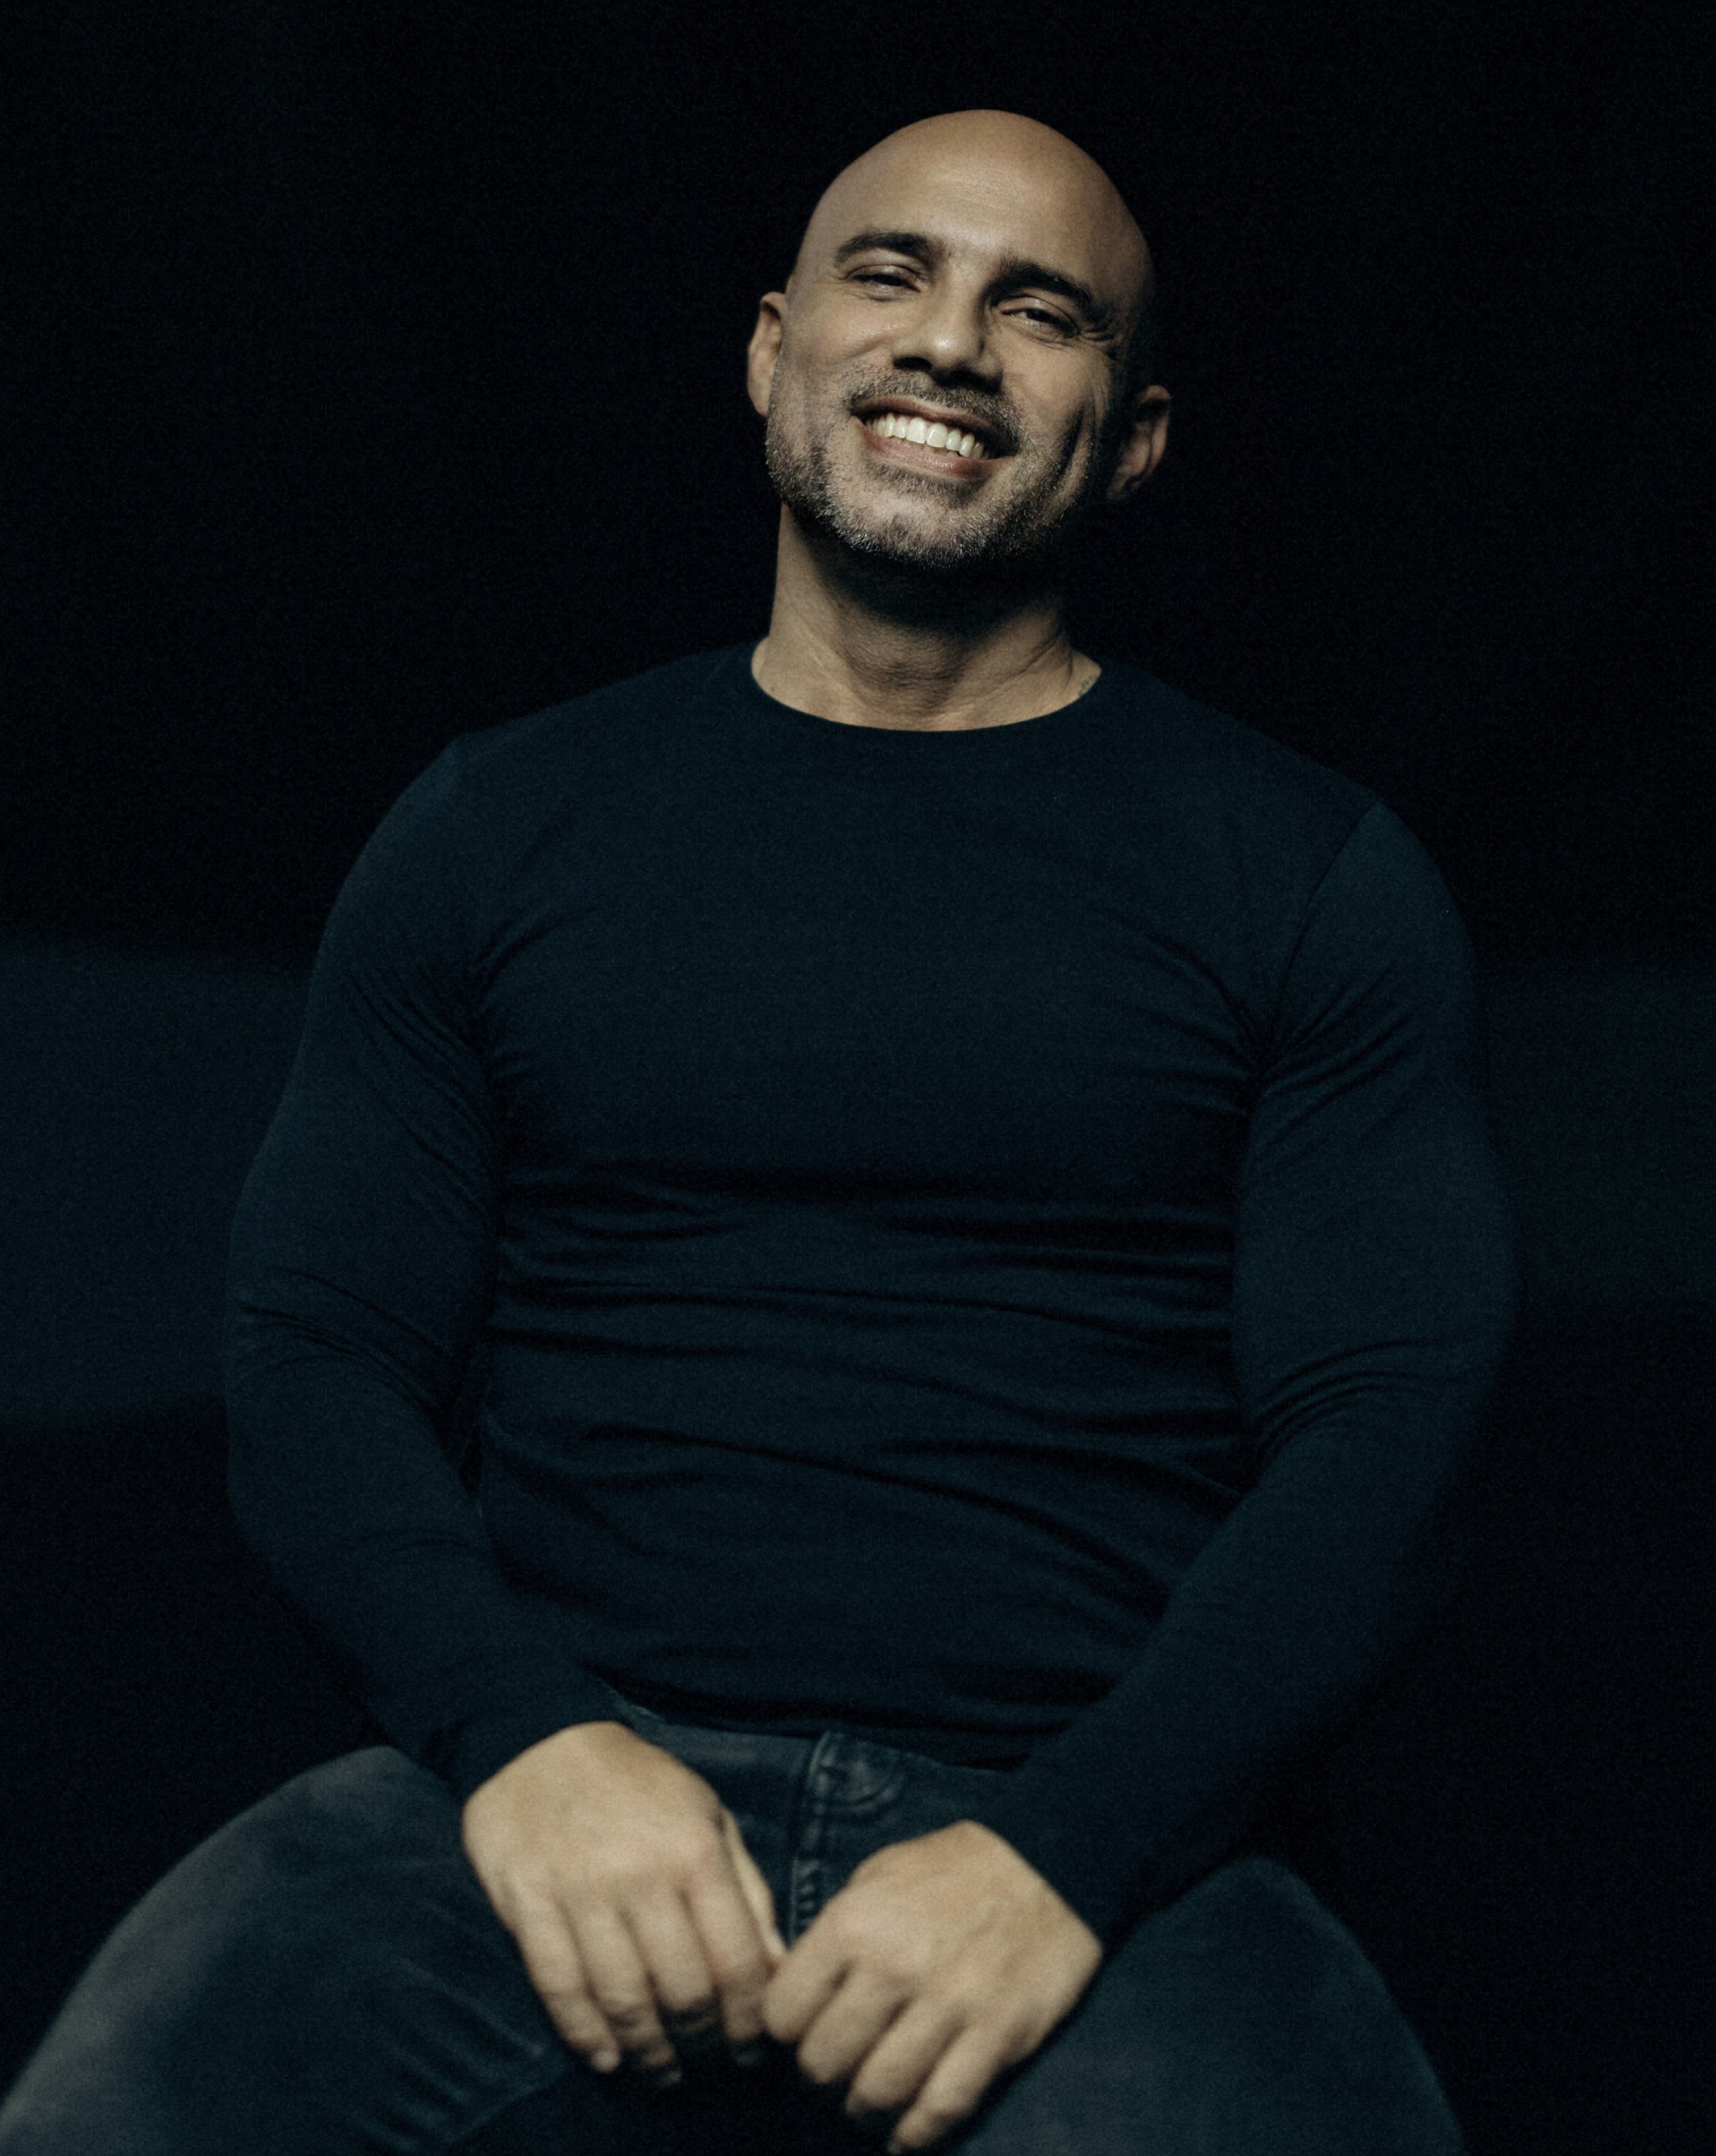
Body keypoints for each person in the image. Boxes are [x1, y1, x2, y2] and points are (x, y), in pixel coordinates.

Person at [0, 109, 1516, 2154]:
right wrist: (520, 1740)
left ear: (1135, 436)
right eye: (891, 274)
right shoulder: (498, 824)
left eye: (1038, 311)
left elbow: (1392, 1436)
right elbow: (317, 1352)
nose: (948, 341)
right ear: (771, 348)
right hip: (553, 1777)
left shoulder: (1308, 873)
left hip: (1096, 1819)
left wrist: (1071, 1848)